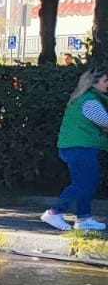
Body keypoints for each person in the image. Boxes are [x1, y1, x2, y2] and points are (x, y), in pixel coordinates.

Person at [41, 66, 108, 232]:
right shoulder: (90, 101)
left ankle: (83, 218)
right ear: (94, 83)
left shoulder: (83, 99)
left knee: (87, 183)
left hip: (75, 147)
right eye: (106, 81)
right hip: (81, 147)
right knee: (82, 184)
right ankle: (54, 212)